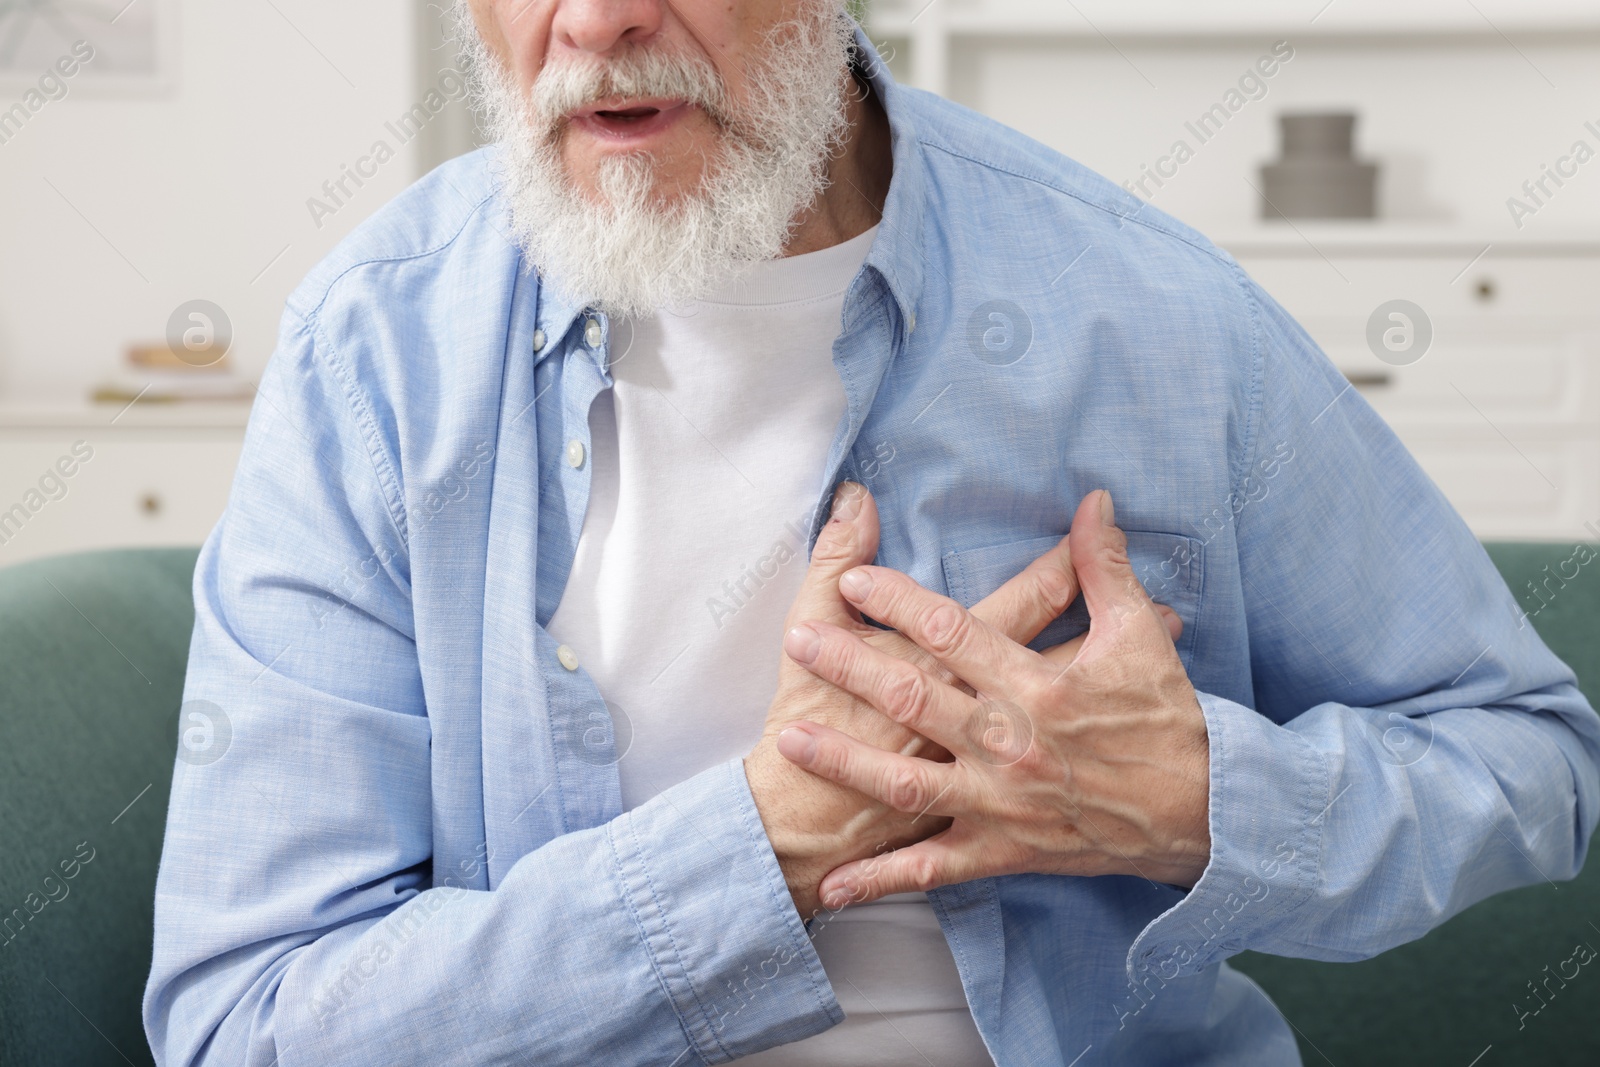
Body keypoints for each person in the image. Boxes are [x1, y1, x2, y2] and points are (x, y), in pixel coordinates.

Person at [143, 1, 1600, 1064]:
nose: (591, 23)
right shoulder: (374, 359)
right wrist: (761, 853)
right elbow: (247, 1020)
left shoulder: (1149, 314)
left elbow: (1534, 759)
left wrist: (1199, 802)